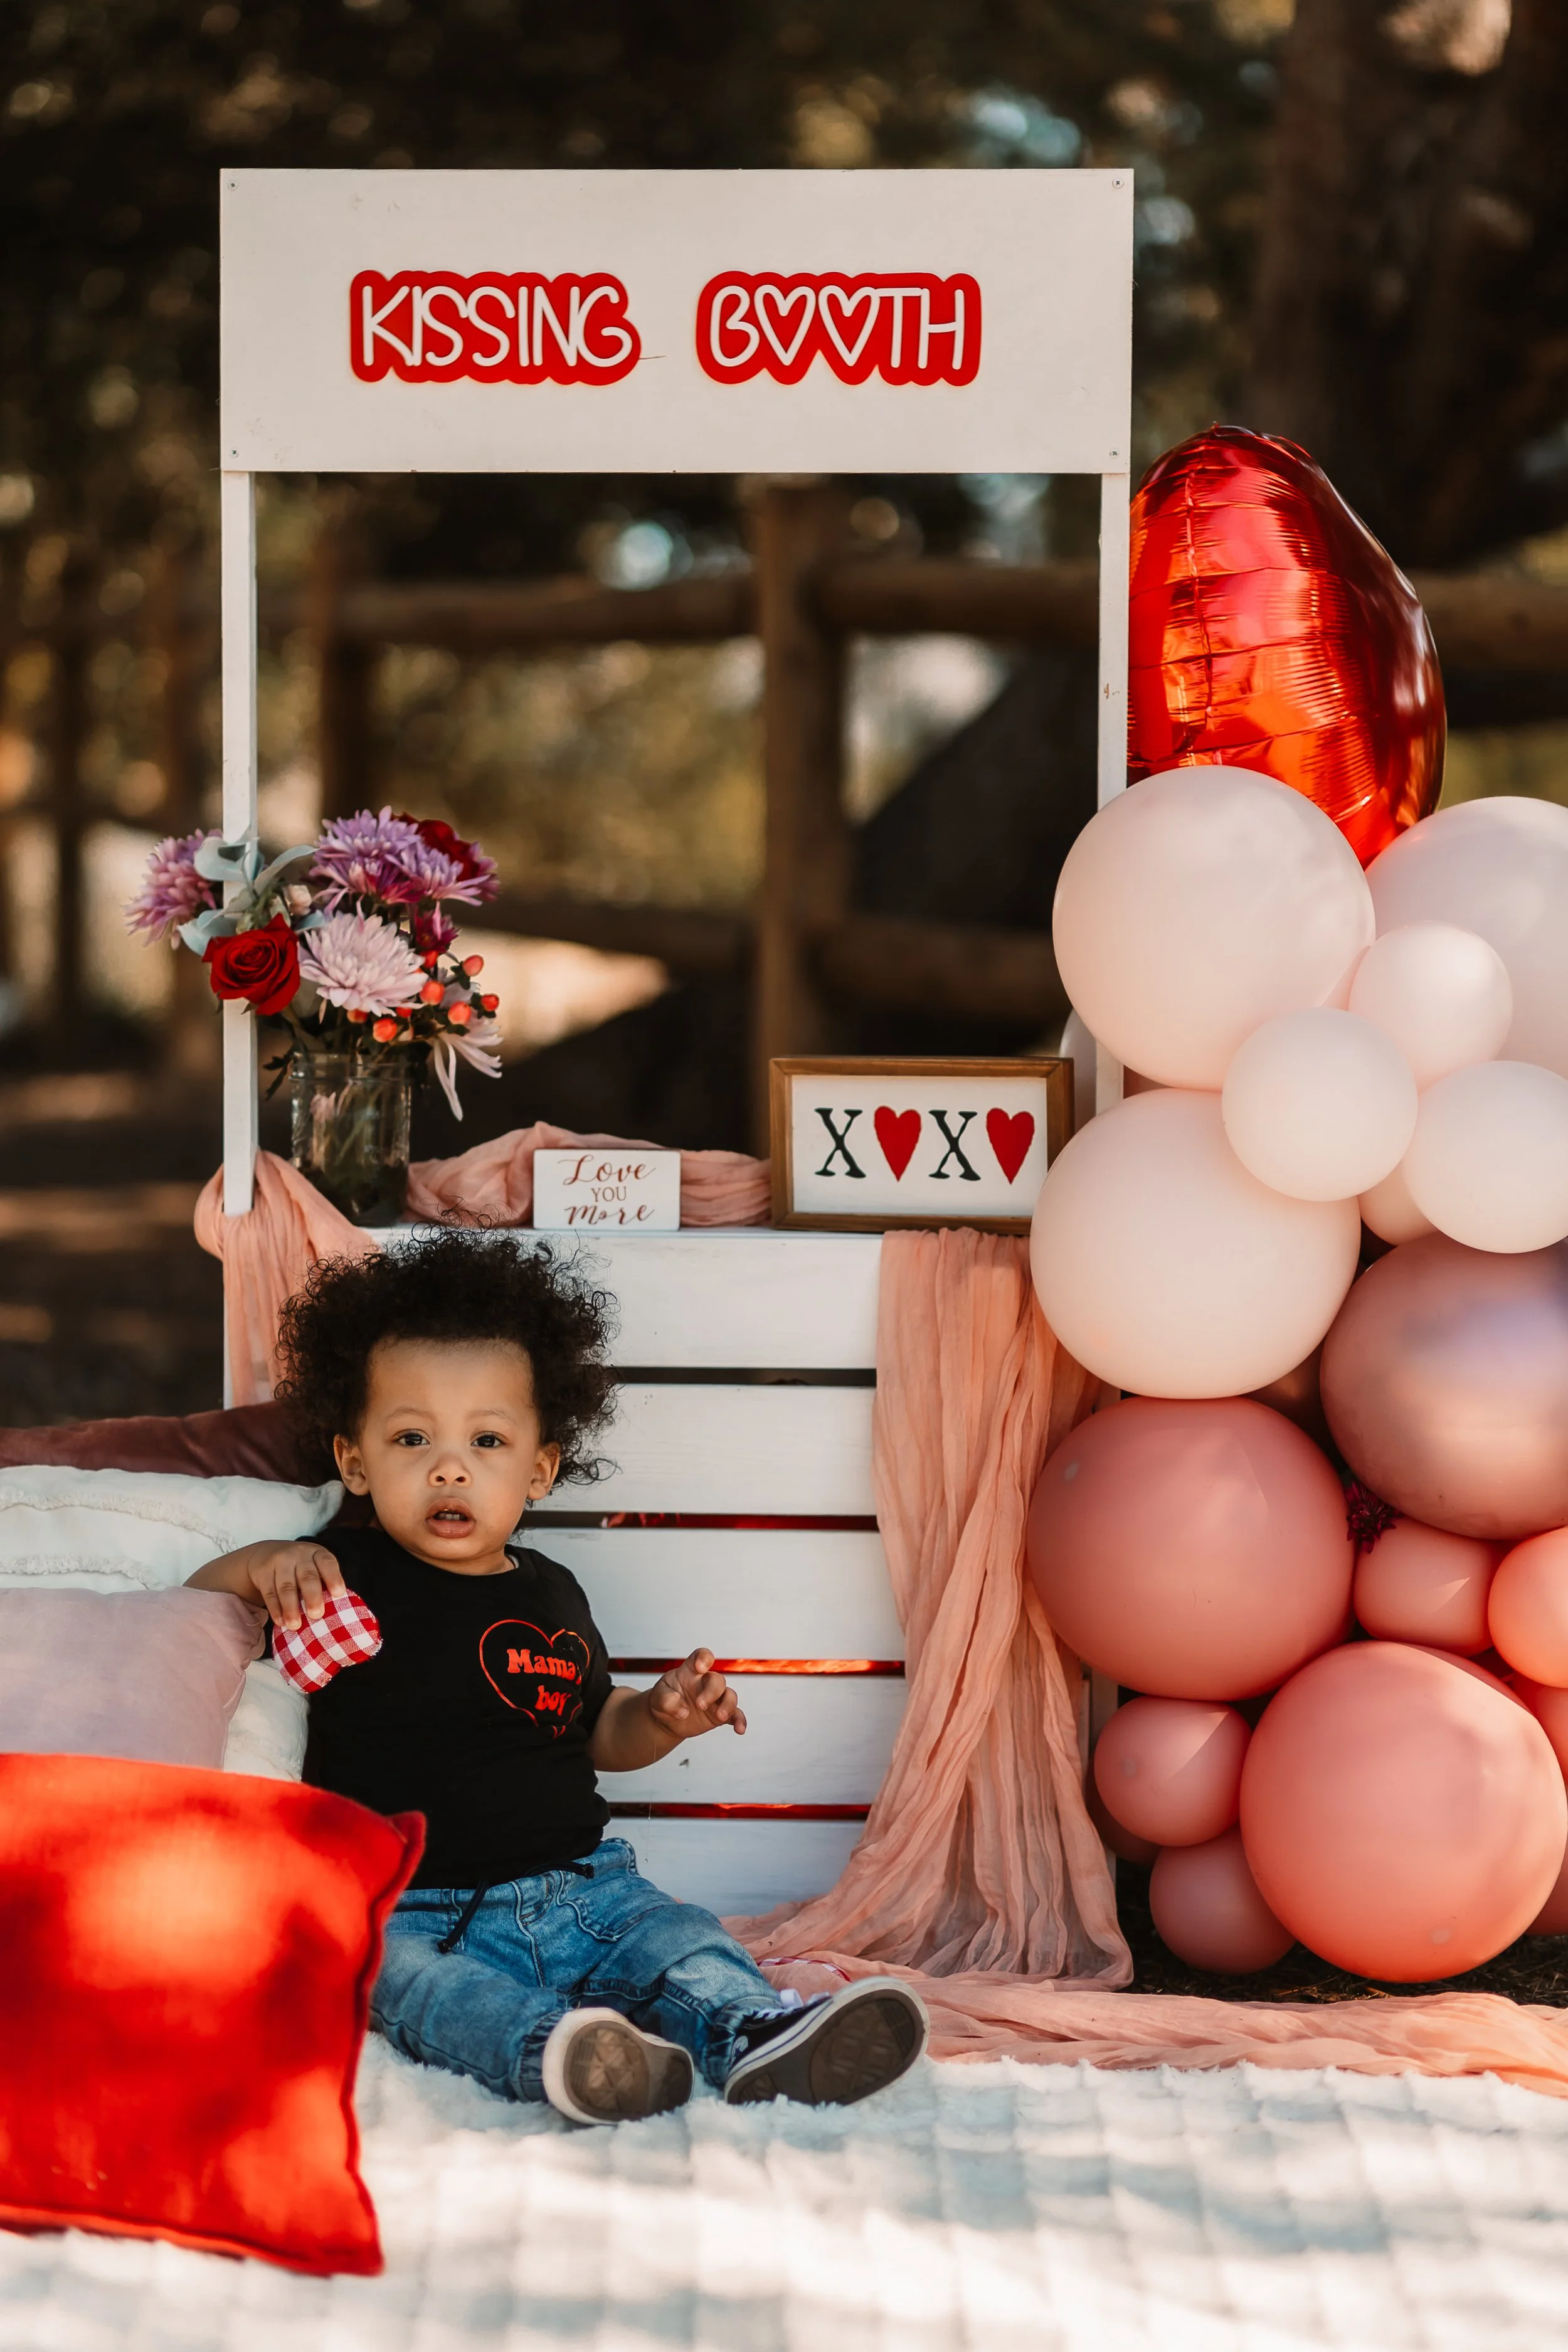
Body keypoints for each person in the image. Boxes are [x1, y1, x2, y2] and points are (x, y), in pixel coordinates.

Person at [188, 1229, 925, 2126]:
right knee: (402, 1982)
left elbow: (597, 1732)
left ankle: (752, 2030)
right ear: (355, 1461)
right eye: (412, 1436)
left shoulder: (553, 1591)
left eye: (487, 1440)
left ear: (539, 1468)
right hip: (411, 1904)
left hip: (583, 1886)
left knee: (678, 1936)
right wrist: (263, 1563)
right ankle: (565, 2049)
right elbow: (190, 1610)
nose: (449, 1465)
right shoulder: (340, 1569)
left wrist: (659, 1715)